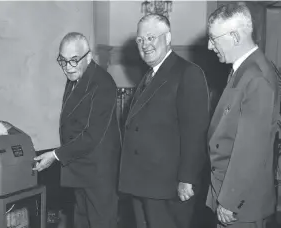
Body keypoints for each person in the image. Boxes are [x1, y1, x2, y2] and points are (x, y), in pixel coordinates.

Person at [118, 13, 210, 228]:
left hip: (167, 187)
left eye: (151, 37)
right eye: (140, 40)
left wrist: (187, 179)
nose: (145, 45)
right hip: (142, 183)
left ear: (168, 38)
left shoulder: (188, 73)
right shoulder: (150, 75)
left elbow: (195, 132)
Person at [33, 32, 121, 228]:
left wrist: (55, 155)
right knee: (81, 222)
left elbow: (91, 136)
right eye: (63, 61)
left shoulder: (103, 83)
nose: (68, 67)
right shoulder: (76, 77)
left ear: (88, 57)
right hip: (79, 169)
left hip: (98, 175)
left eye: (74, 60)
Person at [206, 2, 280, 228]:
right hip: (231, 191)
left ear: (235, 37)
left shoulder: (256, 77)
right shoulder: (246, 69)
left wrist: (230, 199)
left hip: (240, 202)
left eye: (214, 39)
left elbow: (251, 149)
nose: (210, 46)